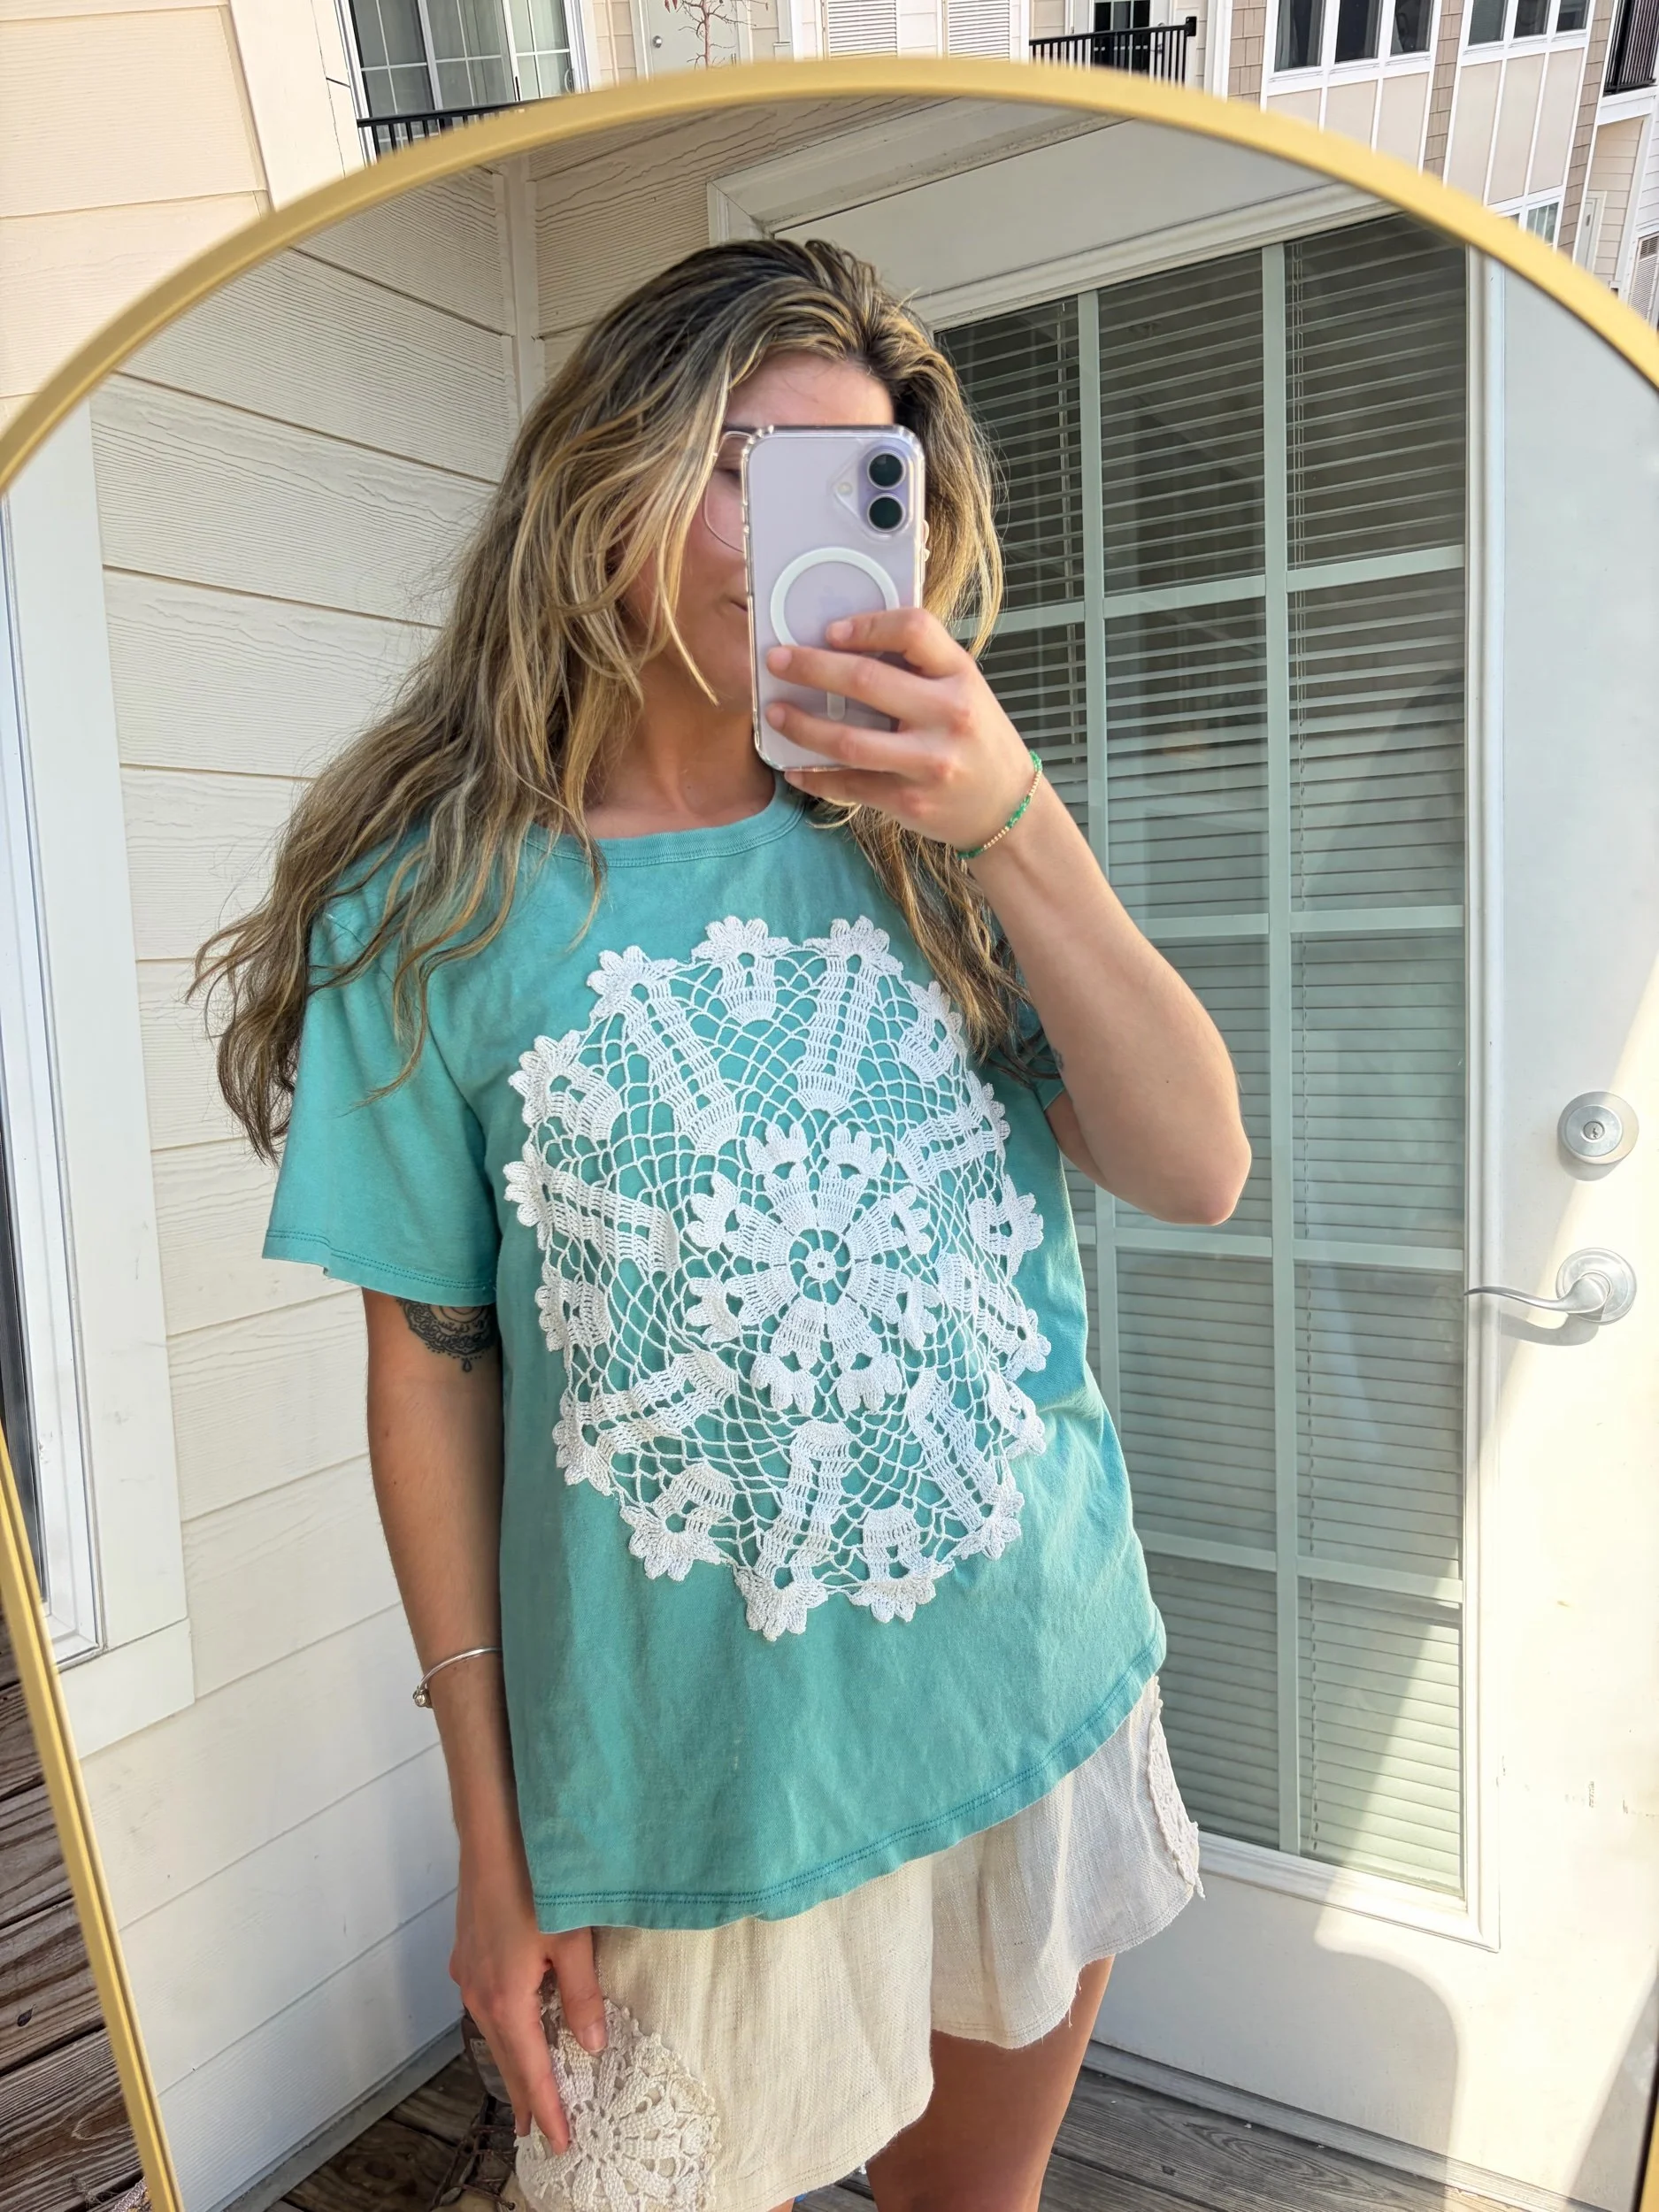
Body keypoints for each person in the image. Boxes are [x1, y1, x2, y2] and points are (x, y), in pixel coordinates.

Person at [200, 236, 1251, 2212]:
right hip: (681, 1791)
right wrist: (492, 1833)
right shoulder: (427, 912)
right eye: (741, 464)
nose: (792, 529)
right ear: (603, 483)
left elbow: (1196, 1167)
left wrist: (1014, 818)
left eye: (854, 481)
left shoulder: (939, 836)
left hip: (1021, 1690)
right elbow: (427, 1374)